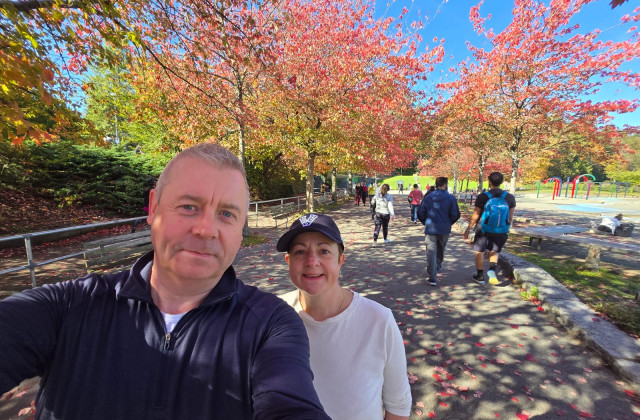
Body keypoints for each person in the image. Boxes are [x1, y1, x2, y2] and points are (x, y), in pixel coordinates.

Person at [0, 143, 329, 420]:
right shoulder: (69, 308)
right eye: (189, 206)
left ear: (241, 228)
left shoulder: (270, 325)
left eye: (227, 214)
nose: (205, 229)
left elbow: (291, 406)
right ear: (154, 208)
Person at [276, 213, 411, 420]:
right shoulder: (274, 316)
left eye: (324, 251)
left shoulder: (378, 320)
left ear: (340, 260)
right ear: (288, 261)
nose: (312, 261)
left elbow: (398, 405)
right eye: (300, 251)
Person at [463, 171, 516, 286]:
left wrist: (468, 229)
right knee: (494, 250)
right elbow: (510, 217)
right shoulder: (509, 197)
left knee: (480, 251)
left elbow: (476, 214)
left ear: (489, 181)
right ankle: (492, 269)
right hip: (500, 230)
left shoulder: (483, 196)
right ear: (501, 182)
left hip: (483, 229)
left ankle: (480, 276)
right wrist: (505, 228)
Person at [418, 177, 460, 286]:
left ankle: (432, 276)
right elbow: (455, 214)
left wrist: (425, 222)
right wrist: (448, 223)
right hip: (444, 228)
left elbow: (421, 213)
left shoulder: (428, 197)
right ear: (445, 185)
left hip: (431, 227)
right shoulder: (450, 198)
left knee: (431, 251)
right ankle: (437, 265)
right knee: (441, 249)